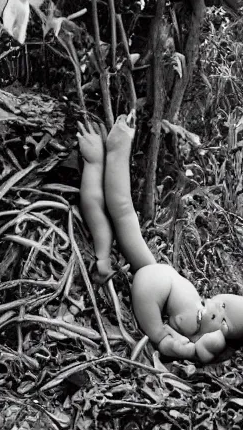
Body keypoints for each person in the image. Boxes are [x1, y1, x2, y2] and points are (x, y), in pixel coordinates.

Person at [77, 115, 243, 363]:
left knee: (109, 223)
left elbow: (202, 349)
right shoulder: (200, 313)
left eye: (224, 316)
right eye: (221, 302)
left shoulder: (205, 336)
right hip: (150, 268)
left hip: (152, 295)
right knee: (123, 212)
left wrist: (183, 345)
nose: (217, 306)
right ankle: (111, 155)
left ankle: (94, 165)